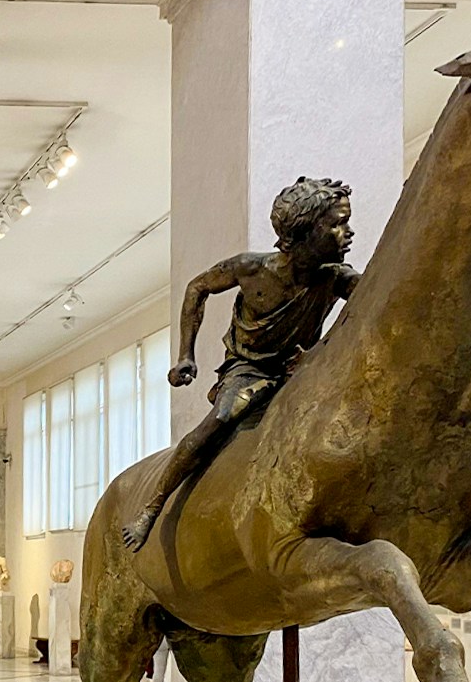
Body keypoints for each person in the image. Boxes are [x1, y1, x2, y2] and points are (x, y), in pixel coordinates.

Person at [121, 177, 358, 552]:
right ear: (303, 233)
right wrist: (186, 353)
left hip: (302, 370)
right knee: (215, 424)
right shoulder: (251, 269)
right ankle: (152, 507)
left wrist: (321, 353)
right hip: (250, 371)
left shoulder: (335, 278)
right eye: (337, 224)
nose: (349, 233)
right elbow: (197, 288)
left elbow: (370, 310)